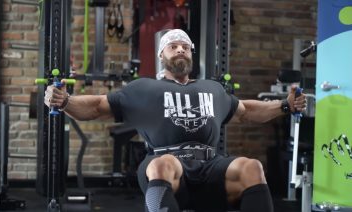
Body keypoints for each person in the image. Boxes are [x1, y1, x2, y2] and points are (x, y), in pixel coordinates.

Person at [44, 29, 307, 212]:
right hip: (167, 164)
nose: (180, 49)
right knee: (163, 165)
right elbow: (97, 106)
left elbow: (247, 110)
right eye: (173, 46)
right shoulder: (143, 88)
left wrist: (285, 105)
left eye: (185, 46)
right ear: (162, 55)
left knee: (252, 168)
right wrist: (65, 101)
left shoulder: (213, 88)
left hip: (210, 164)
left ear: (191, 54)